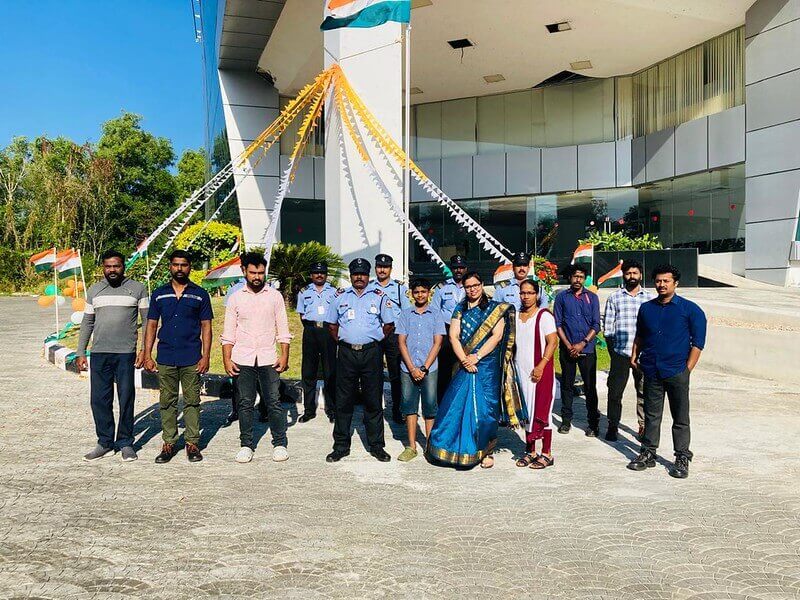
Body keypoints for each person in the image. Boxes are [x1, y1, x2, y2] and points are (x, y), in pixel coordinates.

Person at [425, 272, 524, 469]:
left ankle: (486, 451)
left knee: (486, 410)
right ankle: (453, 449)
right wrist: (464, 359)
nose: (472, 289)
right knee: (455, 406)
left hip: (487, 366)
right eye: (468, 286)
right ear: (464, 288)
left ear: (481, 285)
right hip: (464, 363)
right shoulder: (459, 308)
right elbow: (453, 336)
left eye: (475, 285)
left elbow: (496, 336)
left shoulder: (494, 308)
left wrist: (476, 357)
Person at [627, 265, 706, 479]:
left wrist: (686, 370)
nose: (661, 285)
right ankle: (648, 453)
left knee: (680, 417)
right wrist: (635, 354)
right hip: (652, 369)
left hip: (676, 371)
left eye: (666, 281)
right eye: (658, 281)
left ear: (675, 283)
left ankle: (682, 456)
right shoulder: (646, 308)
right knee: (652, 415)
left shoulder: (690, 310)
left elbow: (698, 344)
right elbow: (640, 335)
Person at [76, 250, 149, 462]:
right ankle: (105, 442)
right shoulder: (95, 291)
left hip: (126, 354)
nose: (112, 270)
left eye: (116, 266)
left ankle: (125, 442)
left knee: (126, 398)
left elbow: (147, 322)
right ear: (103, 268)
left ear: (123, 266)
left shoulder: (137, 289)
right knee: (99, 399)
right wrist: (81, 352)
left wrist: (144, 350)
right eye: (108, 266)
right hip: (99, 353)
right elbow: (87, 322)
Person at [143, 250, 213, 464]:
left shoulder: (200, 294)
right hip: (166, 356)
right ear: (170, 267)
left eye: (184, 265)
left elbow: (206, 327)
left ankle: (192, 443)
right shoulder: (159, 293)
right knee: (167, 401)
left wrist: (206, 356)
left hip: (191, 356)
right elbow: (152, 325)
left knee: (192, 401)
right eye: (176, 265)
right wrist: (147, 354)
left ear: (190, 267)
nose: (179, 268)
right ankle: (169, 443)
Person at [221, 252, 291, 464]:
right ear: (244, 271)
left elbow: (283, 329)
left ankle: (279, 443)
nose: (257, 276)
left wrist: (285, 355)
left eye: (261, 272)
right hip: (243, 357)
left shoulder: (275, 296)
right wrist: (227, 359)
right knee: (245, 403)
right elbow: (228, 332)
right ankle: (246, 445)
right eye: (253, 272)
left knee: (274, 402)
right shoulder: (235, 298)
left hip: (268, 358)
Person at [325, 258, 395, 463]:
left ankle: (376, 446)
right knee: (343, 401)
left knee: (373, 400)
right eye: (355, 273)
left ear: (368, 275)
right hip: (346, 354)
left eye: (363, 274)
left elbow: (389, 324)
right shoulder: (340, 297)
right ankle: (340, 446)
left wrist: (374, 339)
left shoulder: (379, 296)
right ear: (350, 275)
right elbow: (331, 325)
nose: (359, 277)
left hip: (371, 354)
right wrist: (345, 341)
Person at [602, 260, 655, 441]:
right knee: (615, 392)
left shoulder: (649, 298)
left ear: (640, 275)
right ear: (623, 275)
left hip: (643, 354)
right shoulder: (614, 298)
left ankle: (643, 426)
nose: (631, 276)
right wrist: (614, 353)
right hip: (621, 353)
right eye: (628, 273)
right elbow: (607, 329)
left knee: (644, 391)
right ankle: (613, 425)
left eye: (635, 273)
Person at [395, 278, 446, 462]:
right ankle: (411, 446)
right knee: (409, 406)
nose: (420, 295)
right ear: (411, 294)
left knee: (430, 407)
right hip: (407, 368)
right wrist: (411, 368)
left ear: (429, 294)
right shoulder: (405, 314)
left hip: (429, 368)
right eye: (416, 292)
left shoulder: (436, 314)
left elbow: (438, 342)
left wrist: (423, 368)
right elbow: (401, 341)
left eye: (423, 291)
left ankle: (430, 446)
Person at [514, 280, 558, 470]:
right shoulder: (516, 316)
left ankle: (547, 453)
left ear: (537, 294)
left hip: (540, 372)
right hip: (520, 371)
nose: (526, 296)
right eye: (523, 293)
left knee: (542, 412)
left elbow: (552, 342)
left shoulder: (544, 316)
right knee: (527, 412)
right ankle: (531, 451)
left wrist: (541, 365)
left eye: (530, 293)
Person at [553, 263, 601, 437]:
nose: (577, 280)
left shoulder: (592, 298)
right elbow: (557, 324)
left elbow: (596, 324)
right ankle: (566, 421)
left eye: (581, 277)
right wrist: (567, 345)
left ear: (584, 278)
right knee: (567, 385)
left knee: (590, 387)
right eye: (575, 276)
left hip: (587, 349)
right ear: (570, 278)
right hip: (567, 349)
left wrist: (583, 343)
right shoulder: (562, 298)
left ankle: (593, 423)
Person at [367, 253, 410, 424]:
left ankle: (397, 410)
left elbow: (407, 313)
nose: (382, 270)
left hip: (394, 336)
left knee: (395, 375)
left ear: (391, 269)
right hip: (375, 334)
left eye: (385, 267)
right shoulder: (369, 287)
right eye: (379, 266)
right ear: (375, 268)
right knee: (372, 375)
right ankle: (373, 411)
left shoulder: (399, 288)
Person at [296, 261, 338, 423]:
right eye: (315, 272)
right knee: (308, 371)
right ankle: (309, 410)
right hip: (310, 331)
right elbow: (301, 314)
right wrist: (312, 327)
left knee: (330, 371)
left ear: (326, 274)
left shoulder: (334, 292)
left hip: (328, 331)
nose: (319, 275)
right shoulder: (304, 292)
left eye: (322, 272)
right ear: (311, 275)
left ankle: (332, 409)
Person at [430, 254, 468, 398]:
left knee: (463, 364)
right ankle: (442, 401)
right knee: (444, 368)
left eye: (461, 267)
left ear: (466, 268)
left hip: (465, 330)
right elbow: (435, 311)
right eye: (455, 268)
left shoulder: (471, 285)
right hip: (446, 330)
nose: (458, 270)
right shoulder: (442, 287)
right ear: (451, 269)